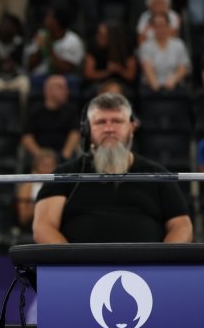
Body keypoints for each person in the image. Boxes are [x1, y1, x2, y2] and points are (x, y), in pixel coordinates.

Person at [33, 92, 192, 244]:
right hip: (80, 268)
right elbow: (43, 227)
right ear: (88, 129)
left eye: (117, 121)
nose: (109, 129)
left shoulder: (158, 176)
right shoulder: (64, 175)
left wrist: (162, 265)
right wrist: (73, 265)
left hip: (147, 270)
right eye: (100, 122)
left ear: (132, 127)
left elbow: (182, 226)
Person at [21, 74, 80, 162]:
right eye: (61, 88)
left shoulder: (71, 110)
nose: (66, 91)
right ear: (48, 91)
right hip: (40, 155)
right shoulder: (35, 111)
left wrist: (65, 155)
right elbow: (26, 137)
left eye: (66, 88)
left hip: (63, 155)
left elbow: (75, 133)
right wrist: (40, 156)